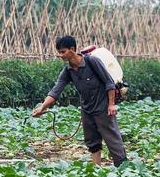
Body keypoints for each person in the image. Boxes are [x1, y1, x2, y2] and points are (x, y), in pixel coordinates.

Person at [32, 35, 127, 167]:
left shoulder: (92, 62)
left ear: (72, 49)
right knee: (92, 141)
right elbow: (55, 91)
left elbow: (109, 83)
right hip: (87, 109)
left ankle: (123, 167)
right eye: (59, 52)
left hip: (103, 107)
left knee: (112, 139)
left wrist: (111, 105)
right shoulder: (68, 71)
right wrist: (42, 107)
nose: (60, 55)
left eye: (63, 52)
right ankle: (96, 169)